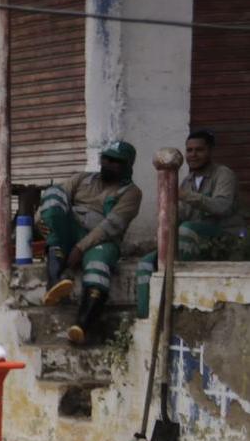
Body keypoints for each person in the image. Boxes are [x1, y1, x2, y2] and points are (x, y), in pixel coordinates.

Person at [39, 141, 143, 344]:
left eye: (116, 161)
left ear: (127, 165)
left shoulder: (131, 193)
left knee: (99, 266)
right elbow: (50, 207)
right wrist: (43, 222)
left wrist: (80, 248)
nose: (109, 164)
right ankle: (54, 281)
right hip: (70, 234)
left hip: (100, 242)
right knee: (53, 194)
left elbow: (110, 227)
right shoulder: (81, 179)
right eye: (106, 159)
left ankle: (82, 325)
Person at [135, 129, 244, 318]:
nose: (193, 155)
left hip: (226, 240)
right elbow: (182, 215)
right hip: (194, 238)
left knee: (186, 231)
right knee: (145, 263)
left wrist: (188, 196)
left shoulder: (223, 174)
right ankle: (146, 317)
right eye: (189, 150)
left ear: (210, 151)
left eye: (199, 150)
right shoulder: (187, 181)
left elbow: (222, 207)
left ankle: (179, 305)